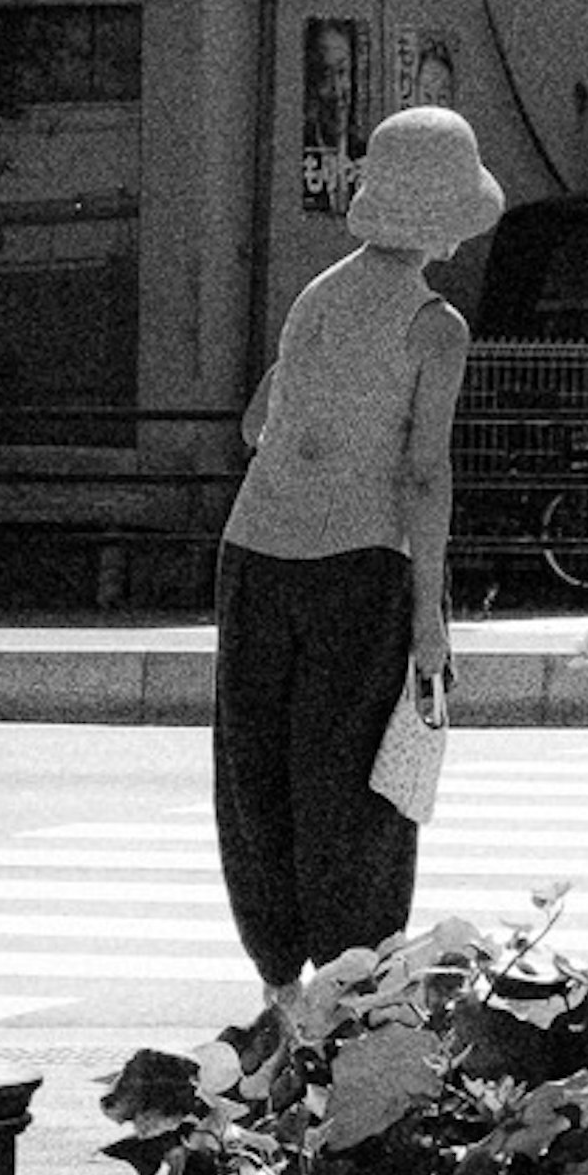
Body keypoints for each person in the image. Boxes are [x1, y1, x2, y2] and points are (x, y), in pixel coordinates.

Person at [211, 99, 504, 992]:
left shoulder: (319, 292)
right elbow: (424, 476)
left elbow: (258, 422)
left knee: (255, 768)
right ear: (445, 214)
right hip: (361, 564)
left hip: (254, 552)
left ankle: (279, 985)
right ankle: (355, 984)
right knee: (354, 784)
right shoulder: (436, 326)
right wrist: (430, 622)